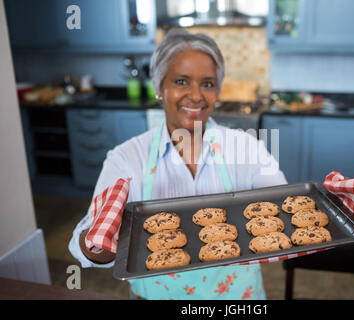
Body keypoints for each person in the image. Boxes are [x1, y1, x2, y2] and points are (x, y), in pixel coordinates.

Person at [69, 29, 287, 300]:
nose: (196, 95)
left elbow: (281, 209)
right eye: (181, 81)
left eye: (207, 83)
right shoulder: (127, 158)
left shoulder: (247, 147)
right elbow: (87, 248)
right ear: (160, 88)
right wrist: (101, 237)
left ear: (217, 91)